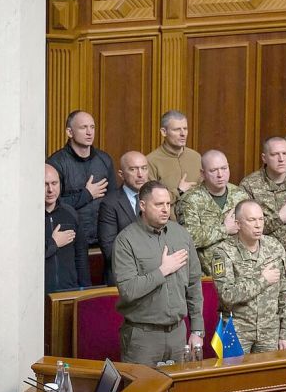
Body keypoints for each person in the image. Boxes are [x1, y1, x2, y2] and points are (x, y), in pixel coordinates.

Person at [112, 181, 204, 365]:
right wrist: (163, 270)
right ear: (143, 205)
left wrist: (197, 330)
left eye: (168, 204)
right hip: (143, 337)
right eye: (158, 204)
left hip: (178, 333)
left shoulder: (181, 235)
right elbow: (128, 290)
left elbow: (194, 284)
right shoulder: (126, 240)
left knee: (180, 391)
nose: (165, 209)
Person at [209, 200, 286, 353]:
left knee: (269, 377)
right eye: (251, 220)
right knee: (234, 377)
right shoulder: (223, 252)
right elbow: (227, 295)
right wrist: (263, 280)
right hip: (236, 330)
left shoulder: (274, 247)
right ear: (238, 224)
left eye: (261, 219)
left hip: (269, 331)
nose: (258, 225)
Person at [46, 109, 117, 244]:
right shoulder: (55, 163)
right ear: (69, 132)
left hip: (102, 237)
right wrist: (87, 195)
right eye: (83, 127)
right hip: (70, 238)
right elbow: (51, 204)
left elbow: (113, 199)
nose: (90, 132)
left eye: (92, 127)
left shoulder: (104, 160)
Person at [175, 150, 247, 276]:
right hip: (205, 276)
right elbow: (190, 239)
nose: (220, 175)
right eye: (213, 170)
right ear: (202, 173)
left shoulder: (240, 195)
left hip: (241, 271)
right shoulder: (189, 200)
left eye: (224, 168)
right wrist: (224, 229)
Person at [98, 151, 149, 282]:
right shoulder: (110, 203)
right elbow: (110, 251)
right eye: (133, 169)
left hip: (152, 276)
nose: (140, 174)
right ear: (121, 174)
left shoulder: (155, 198)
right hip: (122, 278)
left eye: (144, 168)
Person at [145, 110, 202, 216]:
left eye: (185, 129)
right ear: (164, 132)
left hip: (198, 225)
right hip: (167, 227)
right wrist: (178, 191)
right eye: (177, 129)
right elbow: (151, 201)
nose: (183, 134)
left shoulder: (196, 157)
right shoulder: (151, 161)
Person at [44, 164, 89, 292]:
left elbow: (81, 254)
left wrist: (85, 288)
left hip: (68, 290)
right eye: (45, 184)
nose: (50, 189)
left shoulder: (70, 212)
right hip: (38, 294)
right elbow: (24, 259)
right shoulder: (27, 218)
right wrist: (54, 243)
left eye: (54, 183)